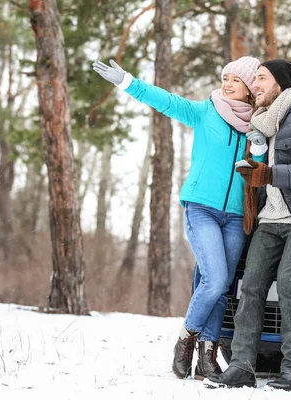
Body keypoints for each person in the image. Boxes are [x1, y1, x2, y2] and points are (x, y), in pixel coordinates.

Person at [92, 56, 267, 380]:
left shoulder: (259, 123)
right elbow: (165, 101)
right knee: (215, 279)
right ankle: (186, 339)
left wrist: (258, 149)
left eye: (235, 80)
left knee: (221, 285)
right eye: (224, 77)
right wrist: (126, 81)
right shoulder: (206, 111)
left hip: (235, 216)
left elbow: (259, 170)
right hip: (201, 207)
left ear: (249, 89)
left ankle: (208, 358)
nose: (226, 84)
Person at [205, 59, 291, 391]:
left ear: (281, 83)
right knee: (250, 286)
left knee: (289, 284)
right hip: (271, 219)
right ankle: (241, 366)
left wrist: (270, 174)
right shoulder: (262, 122)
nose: (255, 85)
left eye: (262, 79)